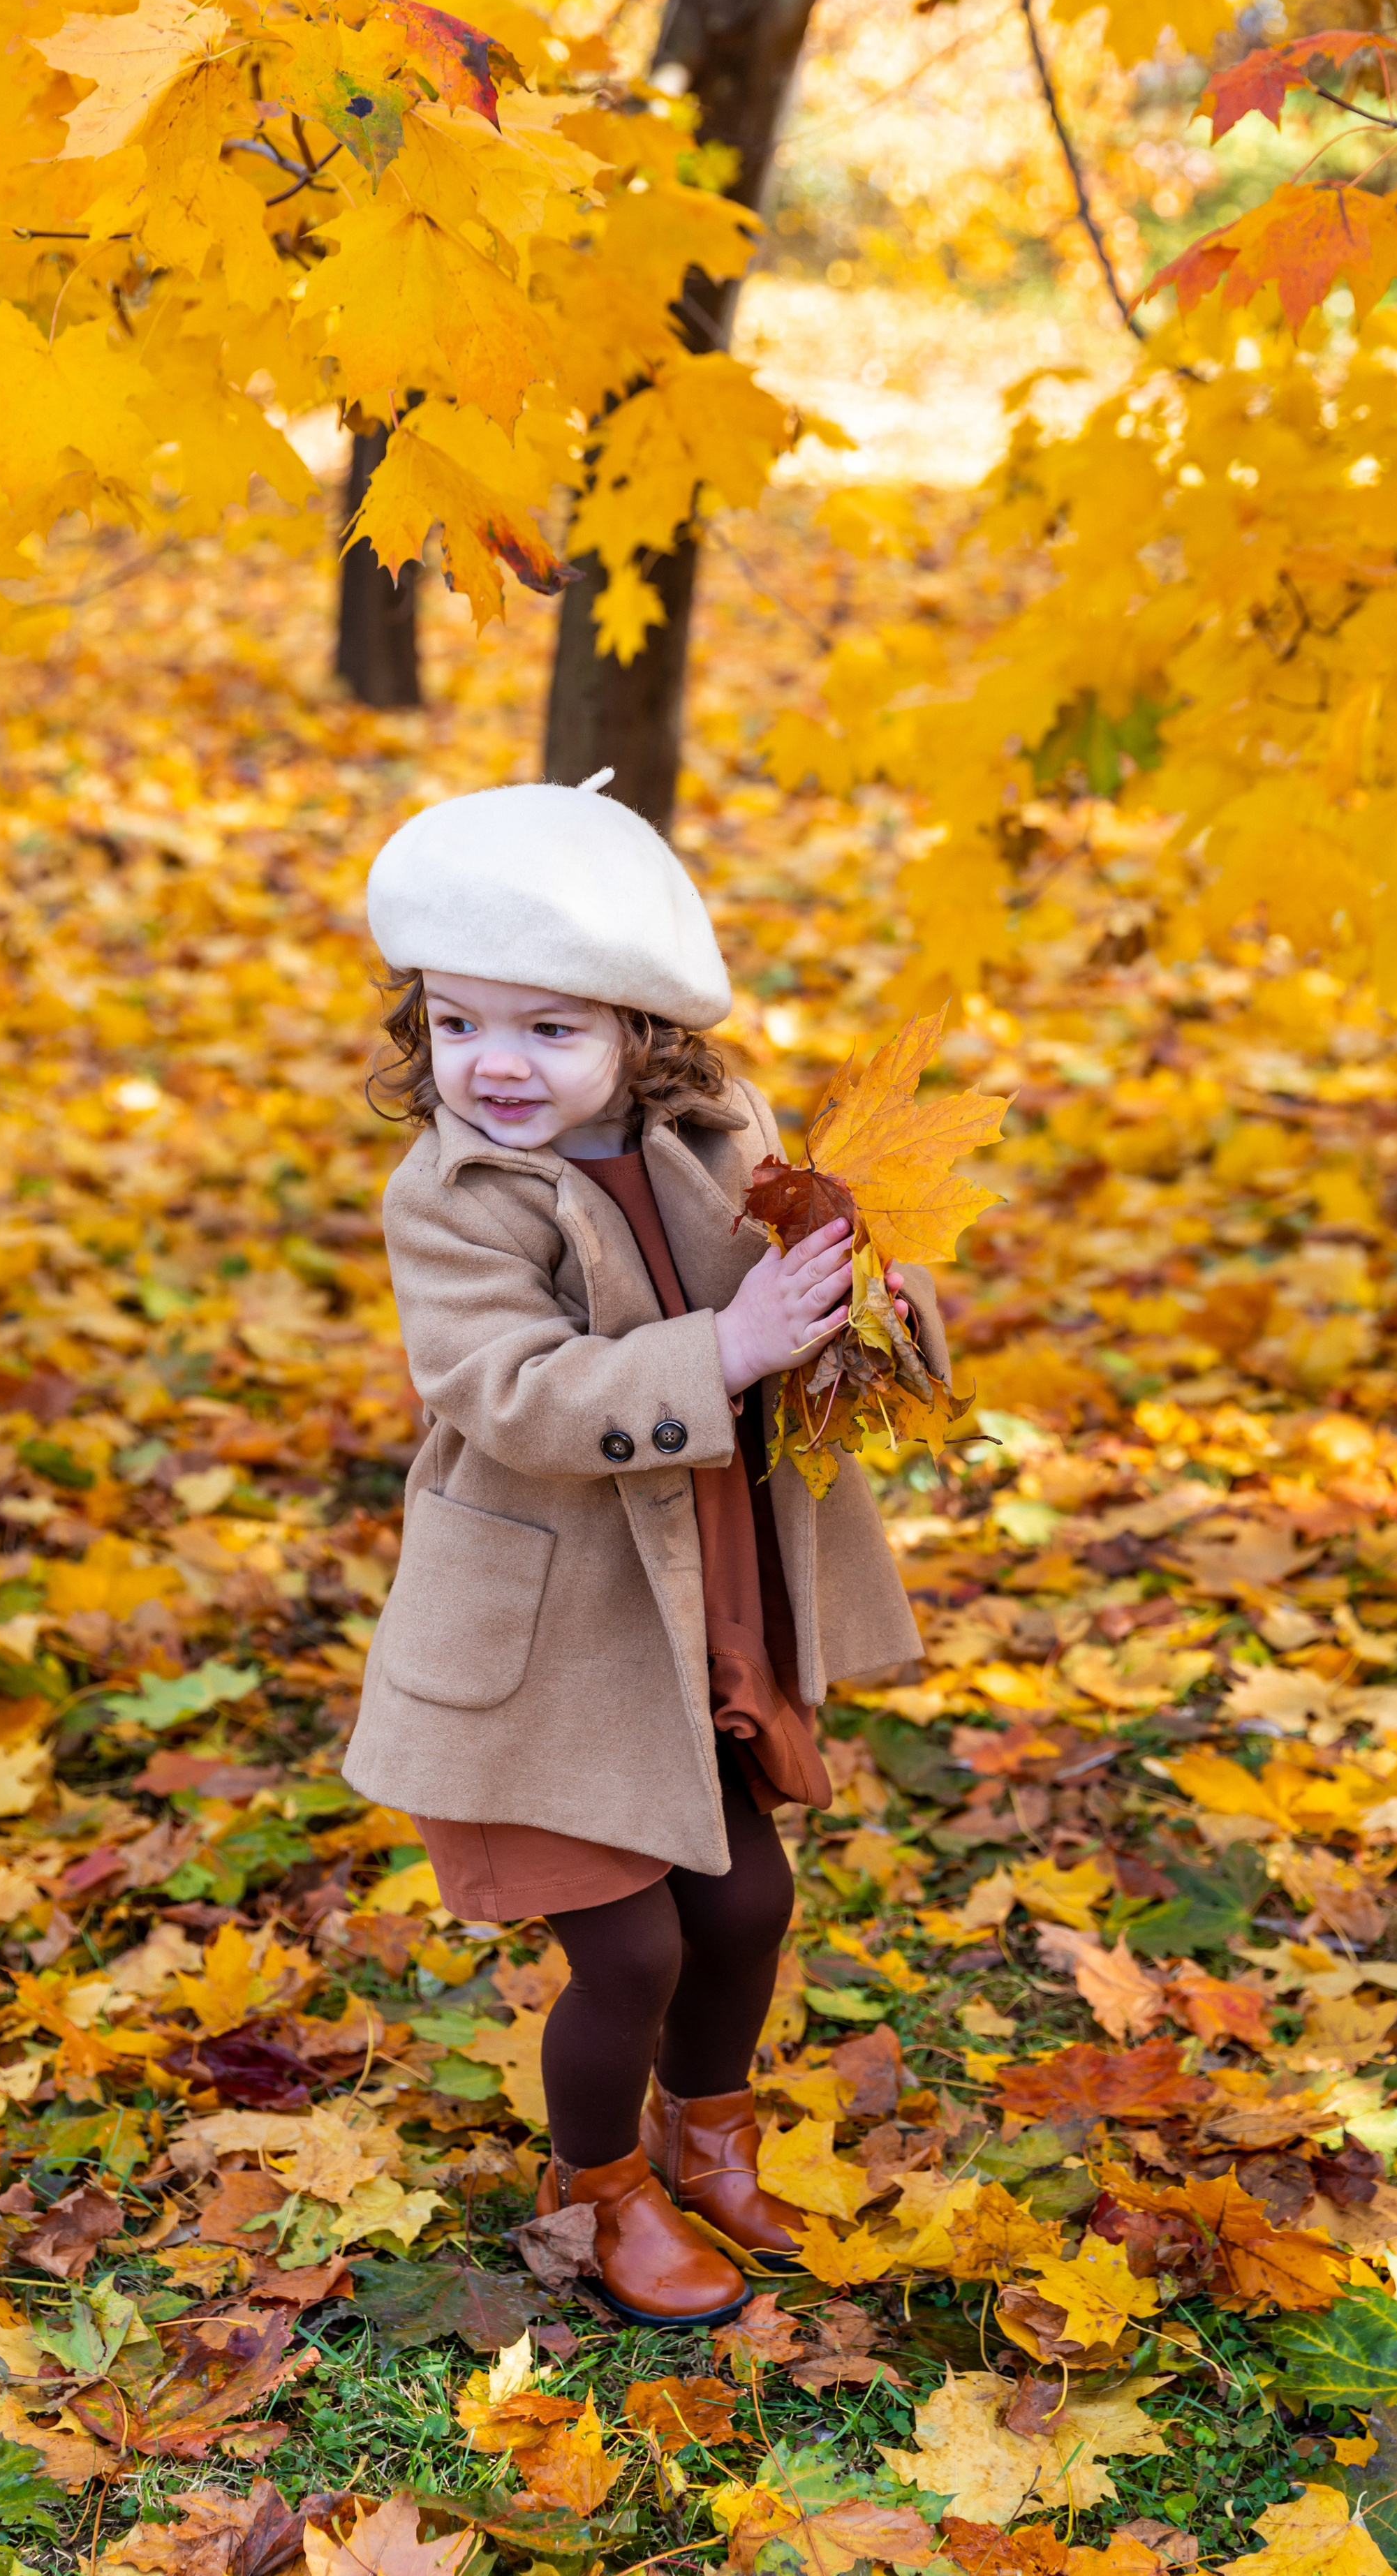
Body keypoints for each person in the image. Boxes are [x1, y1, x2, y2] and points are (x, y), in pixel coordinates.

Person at [343, 772, 948, 2327]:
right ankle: (594, 2187)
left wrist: (860, 1291)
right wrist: (725, 1350)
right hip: (555, 1644)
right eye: (459, 1022)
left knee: (743, 1907)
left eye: (550, 1028)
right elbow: (511, 1394)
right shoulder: (452, 1196)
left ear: (639, 1030)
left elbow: (789, 1279)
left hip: (701, 1600)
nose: (498, 1065)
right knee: (627, 1952)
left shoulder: (708, 1130)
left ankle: (709, 2129)